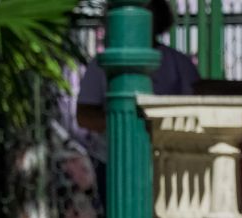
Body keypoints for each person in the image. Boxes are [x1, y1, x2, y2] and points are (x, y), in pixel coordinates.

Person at [76, 0, 200, 200]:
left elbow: (196, 112)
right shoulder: (101, 65)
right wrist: (128, 125)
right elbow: (84, 115)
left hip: (167, 162)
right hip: (115, 162)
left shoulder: (179, 64)